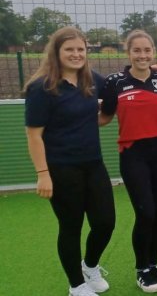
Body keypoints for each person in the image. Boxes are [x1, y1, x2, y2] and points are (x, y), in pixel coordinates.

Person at [24, 26, 115, 296]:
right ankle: (76, 285)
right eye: (70, 49)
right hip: (61, 169)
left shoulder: (91, 79)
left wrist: (155, 71)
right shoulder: (42, 88)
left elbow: (115, 92)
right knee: (71, 227)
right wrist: (43, 173)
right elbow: (34, 135)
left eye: (80, 49)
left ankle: (90, 266)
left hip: (94, 164)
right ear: (56, 52)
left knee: (105, 222)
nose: (76, 54)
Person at [98, 30, 157, 292]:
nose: (143, 55)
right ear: (128, 53)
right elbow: (105, 116)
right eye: (137, 50)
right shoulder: (116, 82)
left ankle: (154, 264)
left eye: (147, 50)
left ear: (153, 52)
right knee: (145, 212)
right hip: (133, 154)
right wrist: (71, 122)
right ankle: (141, 268)